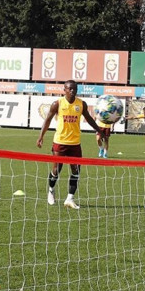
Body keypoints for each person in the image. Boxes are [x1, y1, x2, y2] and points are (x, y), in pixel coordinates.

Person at [36, 80, 101, 209]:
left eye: (75, 89)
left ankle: (70, 199)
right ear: (64, 89)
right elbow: (48, 120)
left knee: (76, 171)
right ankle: (51, 190)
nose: (72, 91)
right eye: (70, 89)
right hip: (60, 142)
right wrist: (41, 137)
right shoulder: (57, 104)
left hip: (75, 143)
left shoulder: (81, 104)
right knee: (56, 170)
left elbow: (88, 119)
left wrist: (99, 131)